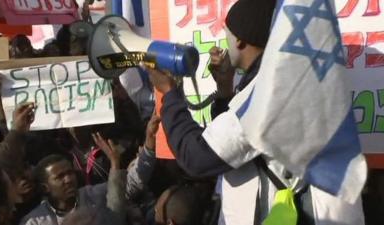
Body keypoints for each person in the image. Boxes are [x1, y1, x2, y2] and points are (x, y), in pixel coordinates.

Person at [143, 0, 365, 225]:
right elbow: (235, 141)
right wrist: (224, 90)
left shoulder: (270, 92)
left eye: (226, 33)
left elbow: (198, 157)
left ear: (239, 41)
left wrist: (169, 93)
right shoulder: (291, 79)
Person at [19, 132, 125, 225]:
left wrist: (115, 163)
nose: (68, 179)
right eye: (60, 177)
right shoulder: (34, 221)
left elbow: (127, 185)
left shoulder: (94, 195)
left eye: (70, 173)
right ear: (45, 187)